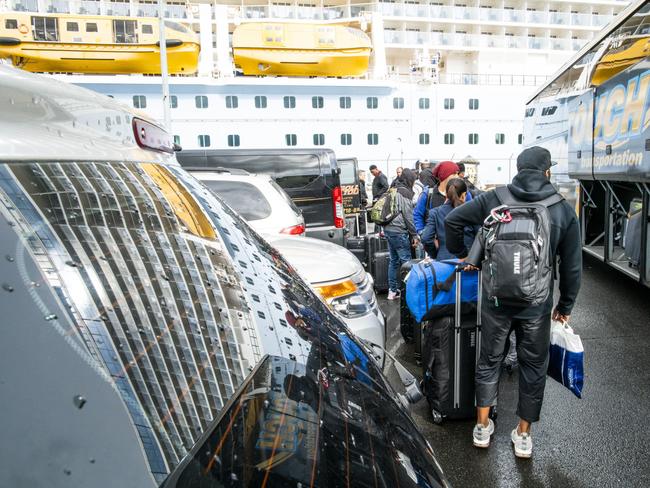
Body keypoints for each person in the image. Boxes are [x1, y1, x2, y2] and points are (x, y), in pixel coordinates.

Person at [444, 146, 582, 459]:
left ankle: (481, 428)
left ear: (518, 169)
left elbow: (453, 219)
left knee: (489, 360)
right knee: (533, 366)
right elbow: (573, 266)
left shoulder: (495, 199)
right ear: (546, 172)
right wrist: (566, 305)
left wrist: (466, 255)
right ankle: (522, 435)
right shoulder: (561, 208)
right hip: (536, 304)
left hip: (495, 301)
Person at [383, 168, 419, 300]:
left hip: (388, 229)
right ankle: (409, 293)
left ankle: (392, 291)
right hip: (399, 231)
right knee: (407, 262)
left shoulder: (393, 188)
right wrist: (414, 234)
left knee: (393, 261)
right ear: (409, 179)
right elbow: (408, 216)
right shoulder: (405, 192)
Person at [420, 178, 476, 260]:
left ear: (446, 194)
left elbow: (426, 238)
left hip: (443, 261)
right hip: (468, 262)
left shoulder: (435, 213)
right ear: (464, 195)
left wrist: (435, 254)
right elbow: (480, 237)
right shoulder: (472, 212)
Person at [413, 161, 462, 248]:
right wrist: (423, 233)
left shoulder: (463, 193)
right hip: (435, 246)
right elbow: (417, 214)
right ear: (445, 176)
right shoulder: (428, 194)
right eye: (454, 173)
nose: (458, 176)